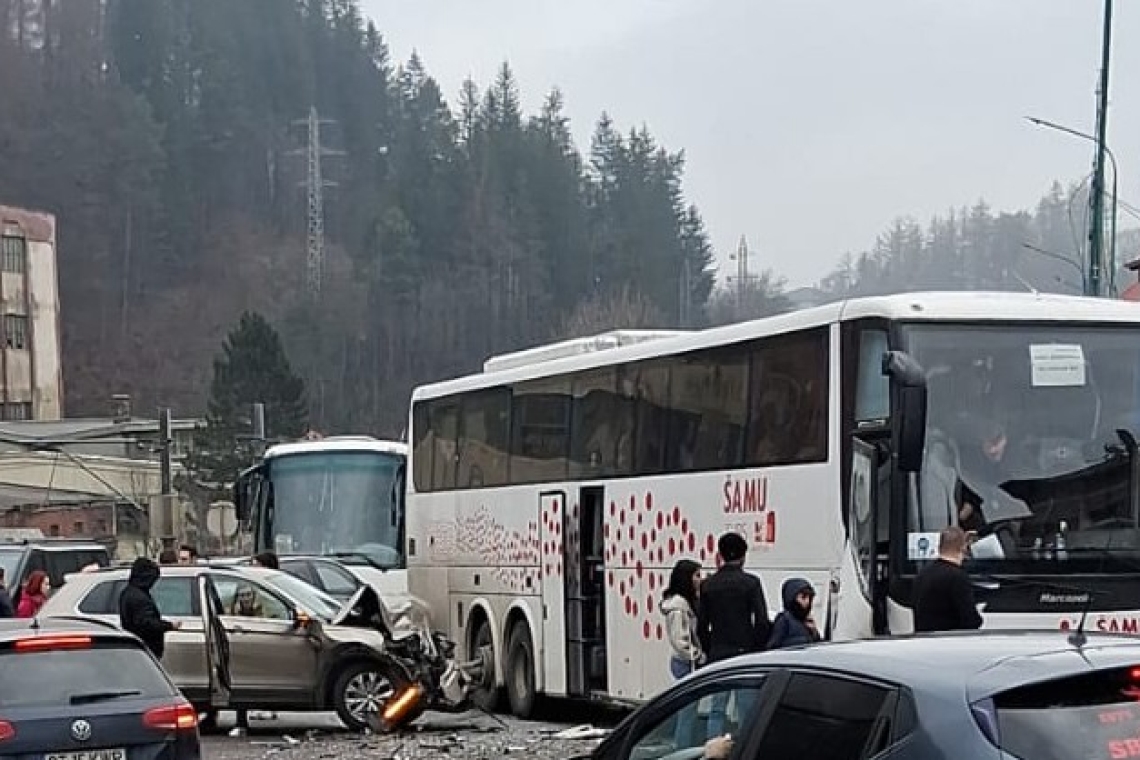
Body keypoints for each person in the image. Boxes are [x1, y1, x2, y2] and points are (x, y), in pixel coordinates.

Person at [697, 532, 771, 738]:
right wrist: (756, 647)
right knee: (746, 709)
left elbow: (701, 625)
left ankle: (713, 748)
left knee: (717, 709)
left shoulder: (708, 585)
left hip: (718, 652)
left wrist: (709, 648)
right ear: (744, 555)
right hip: (744, 652)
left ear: (720, 555)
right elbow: (762, 621)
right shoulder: (751, 583)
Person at [912, 526, 983, 633]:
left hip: (925, 640)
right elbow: (971, 620)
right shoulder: (958, 577)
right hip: (950, 641)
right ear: (963, 548)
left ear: (939, 546)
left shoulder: (923, 574)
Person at [119, 557, 180, 659]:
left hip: (136, 648)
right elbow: (147, 623)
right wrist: (169, 625)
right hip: (146, 648)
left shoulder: (128, 592)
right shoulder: (140, 598)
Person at [663, 559, 705, 678]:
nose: (700, 580)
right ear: (686, 578)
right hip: (685, 662)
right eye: (697, 575)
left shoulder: (686, 602)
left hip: (686, 661)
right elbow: (679, 640)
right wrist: (698, 656)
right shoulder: (678, 607)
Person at [767, 578, 822, 649]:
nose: (807, 601)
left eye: (810, 598)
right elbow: (773, 646)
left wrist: (814, 633)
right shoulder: (784, 620)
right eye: (803, 597)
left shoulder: (807, 621)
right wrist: (803, 641)